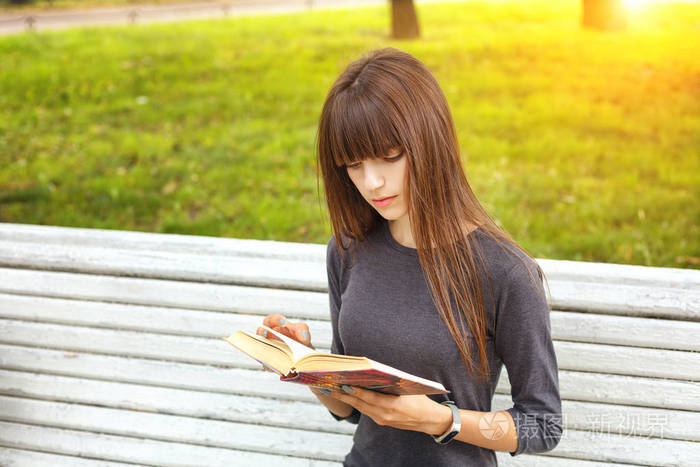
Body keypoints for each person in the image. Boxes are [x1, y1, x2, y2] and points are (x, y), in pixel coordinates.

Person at [257, 47, 562, 466]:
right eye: (353, 164)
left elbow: (542, 425)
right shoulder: (348, 250)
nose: (372, 181)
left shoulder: (505, 272)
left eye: (390, 156)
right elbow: (348, 409)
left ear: (430, 140)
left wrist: (442, 421)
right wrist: (308, 366)